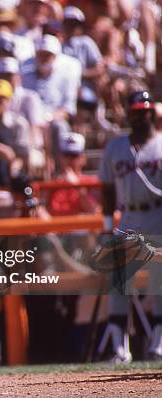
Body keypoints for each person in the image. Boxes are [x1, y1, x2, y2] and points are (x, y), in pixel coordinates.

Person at [98, 89, 162, 362]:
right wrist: (105, 225)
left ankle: (159, 344)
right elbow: (107, 190)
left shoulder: (160, 144)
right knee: (119, 281)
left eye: (143, 111)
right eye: (135, 111)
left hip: (158, 214)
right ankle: (119, 347)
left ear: (151, 112)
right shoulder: (116, 147)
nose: (139, 116)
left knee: (160, 280)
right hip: (128, 217)